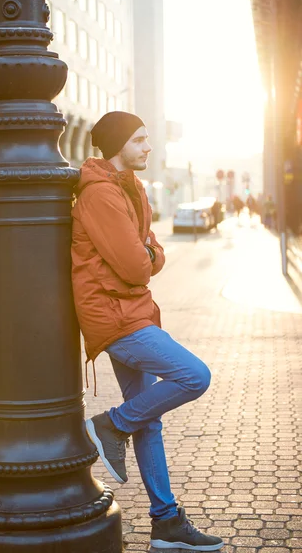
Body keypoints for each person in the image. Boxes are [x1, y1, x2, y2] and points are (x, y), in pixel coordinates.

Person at [71, 111, 224, 551]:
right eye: (139, 140)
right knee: (194, 375)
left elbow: (150, 252)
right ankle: (108, 425)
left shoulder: (132, 189)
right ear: (119, 145)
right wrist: (148, 255)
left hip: (133, 308)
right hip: (115, 316)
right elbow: (138, 263)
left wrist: (149, 254)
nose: (148, 147)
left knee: (149, 419)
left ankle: (165, 523)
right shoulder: (99, 194)